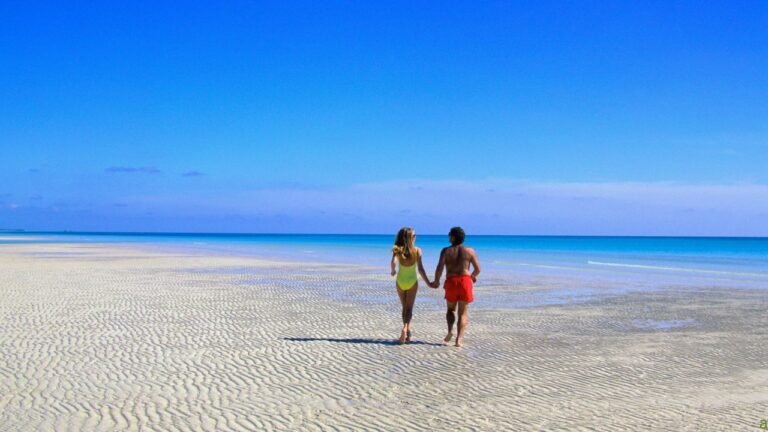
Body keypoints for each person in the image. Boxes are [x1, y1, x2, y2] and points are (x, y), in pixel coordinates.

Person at [430, 226, 480, 347]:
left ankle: (450, 331)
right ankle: (459, 339)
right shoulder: (470, 251)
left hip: (451, 281)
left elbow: (439, 268)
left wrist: (436, 281)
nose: (448, 236)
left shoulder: (446, 251)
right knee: (463, 313)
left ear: (452, 237)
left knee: (451, 310)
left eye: (449, 234)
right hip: (465, 281)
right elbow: (478, 269)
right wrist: (472, 276)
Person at [391, 227, 434, 345]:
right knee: (409, 308)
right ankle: (405, 328)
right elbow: (420, 269)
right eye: (414, 236)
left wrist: (393, 271)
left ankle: (407, 331)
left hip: (400, 281)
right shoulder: (417, 251)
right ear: (410, 238)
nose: (416, 237)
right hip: (412, 282)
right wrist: (429, 283)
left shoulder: (397, 250)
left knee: (404, 307)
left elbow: (393, 262)